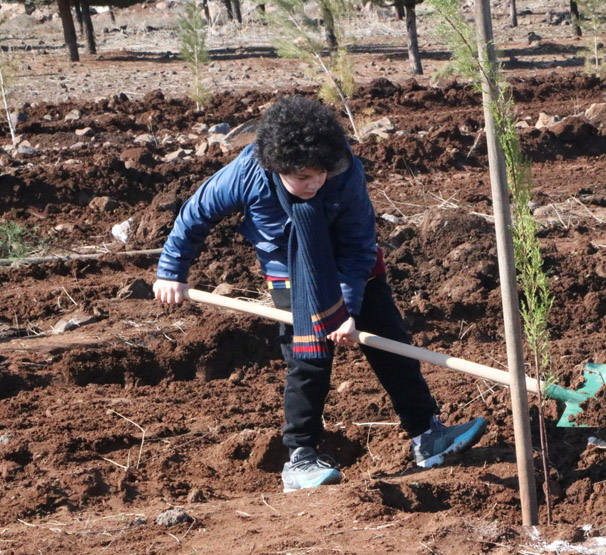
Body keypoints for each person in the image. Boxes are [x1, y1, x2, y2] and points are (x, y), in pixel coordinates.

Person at [153, 95, 486, 492]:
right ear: (276, 167)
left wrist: (347, 306)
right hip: (290, 272)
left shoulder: (344, 173)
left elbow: (360, 246)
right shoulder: (247, 174)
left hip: (355, 265)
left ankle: (427, 436)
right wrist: (171, 271)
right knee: (309, 362)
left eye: (319, 174)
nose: (314, 184)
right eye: (303, 178)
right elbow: (196, 214)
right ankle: (300, 458)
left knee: (391, 345)